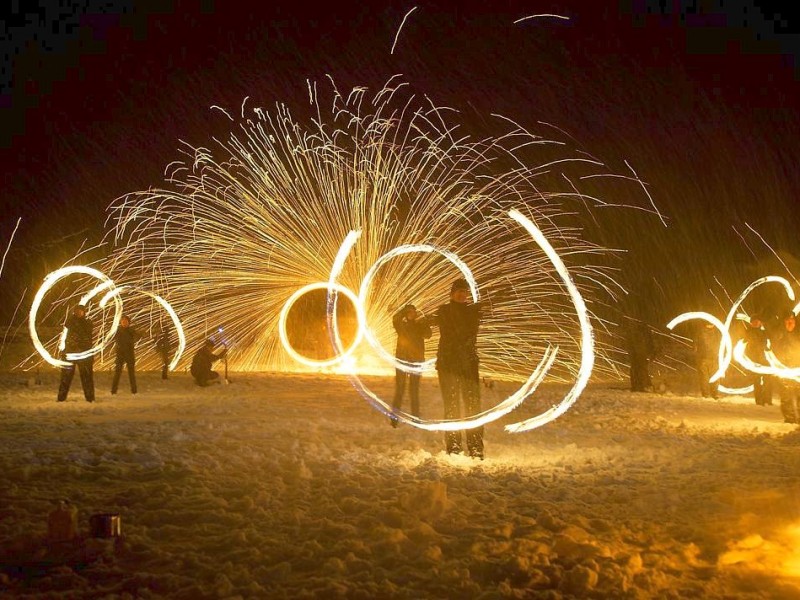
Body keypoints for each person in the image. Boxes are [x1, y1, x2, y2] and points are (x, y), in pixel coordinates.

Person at [433, 278, 484, 459]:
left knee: (473, 406)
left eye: (465, 291)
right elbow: (427, 324)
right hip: (448, 364)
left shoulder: (473, 312)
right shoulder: (444, 312)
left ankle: (476, 446)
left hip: (468, 365)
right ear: (452, 294)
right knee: (452, 405)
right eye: (458, 291)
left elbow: (470, 332)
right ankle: (454, 445)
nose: (462, 294)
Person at [389, 304, 432, 427]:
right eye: (409, 312)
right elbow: (395, 319)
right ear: (406, 314)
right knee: (400, 390)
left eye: (413, 312)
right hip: (402, 361)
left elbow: (428, 335)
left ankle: (415, 418)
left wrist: (424, 322)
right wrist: (403, 311)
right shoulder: (401, 326)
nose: (411, 314)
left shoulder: (419, 326)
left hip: (416, 362)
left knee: (414, 391)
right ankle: (394, 418)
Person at [56, 303, 95, 403]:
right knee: (65, 378)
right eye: (76, 311)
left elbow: (88, 337)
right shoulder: (70, 322)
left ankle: (90, 398)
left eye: (80, 311)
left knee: (87, 377)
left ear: (84, 312)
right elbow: (67, 332)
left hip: (84, 354)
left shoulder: (87, 322)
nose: (78, 313)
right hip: (70, 353)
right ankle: (61, 398)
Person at [772, 312, 800, 423]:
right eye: (787, 320)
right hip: (783, 369)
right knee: (786, 395)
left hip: (797, 368)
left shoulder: (798, 334)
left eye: (792, 320)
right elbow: (774, 350)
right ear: (784, 322)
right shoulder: (779, 335)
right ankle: (789, 418)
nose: (790, 323)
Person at [744, 316, 773, 406]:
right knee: (757, 381)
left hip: (765, 359)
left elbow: (770, 343)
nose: (756, 323)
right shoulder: (748, 332)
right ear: (751, 323)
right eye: (754, 321)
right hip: (754, 359)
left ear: (760, 322)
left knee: (768, 380)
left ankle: (767, 399)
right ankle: (759, 400)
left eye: (758, 321)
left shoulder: (765, 332)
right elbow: (745, 344)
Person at [111, 315, 139, 395]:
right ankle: (113, 391)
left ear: (129, 323)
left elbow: (137, 337)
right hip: (120, 354)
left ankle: (134, 391)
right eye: (122, 321)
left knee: (131, 374)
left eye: (126, 321)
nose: (124, 322)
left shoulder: (131, 331)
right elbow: (112, 338)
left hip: (129, 354)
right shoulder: (117, 331)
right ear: (120, 322)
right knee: (117, 373)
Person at [625, 317, 655, 392]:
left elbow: (649, 343)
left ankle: (641, 385)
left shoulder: (636, 331)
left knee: (639, 369)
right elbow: (650, 343)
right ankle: (642, 385)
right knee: (639, 369)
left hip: (639, 353)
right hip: (639, 353)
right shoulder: (642, 331)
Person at [694, 322, 719, 399]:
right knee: (713, 376)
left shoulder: (700, 332)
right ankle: (714, 394)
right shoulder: (716, 333)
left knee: (705, 377)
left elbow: (695, 346)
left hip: (705, 358)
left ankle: (706, 394)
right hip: (712, 357)